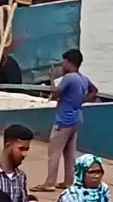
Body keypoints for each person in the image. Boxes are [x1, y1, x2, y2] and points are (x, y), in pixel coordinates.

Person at [35, 50, 98, 192]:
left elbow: (55, 93)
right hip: (76, 118)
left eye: (64, 61)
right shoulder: (83, 79)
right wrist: (81, 100)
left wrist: (52, 78)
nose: (63, 64)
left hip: (63, 120)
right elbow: (94, 91)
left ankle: (49, 183)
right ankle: (69, 181)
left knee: (54, 152)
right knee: (70, 153)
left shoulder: (69, 78)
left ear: (70, 62)